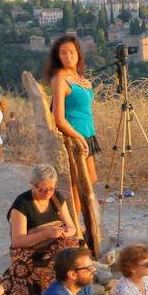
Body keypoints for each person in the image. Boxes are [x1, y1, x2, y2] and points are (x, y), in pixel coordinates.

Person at [1, 164, 80, 295]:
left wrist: (64, 232)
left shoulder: (57, 198)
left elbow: (73, 227)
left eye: (51, 188)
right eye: (43, 189)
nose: (48, 193)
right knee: (52, 267)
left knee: (75, 255)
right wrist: (46, 233)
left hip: (54, 242)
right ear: (33, 185)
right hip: (30, 249)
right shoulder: (22, 204)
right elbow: (18, 241)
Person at [47, 36, 99, 185]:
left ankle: (83, 209)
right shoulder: (59, 79)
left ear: (78, 53)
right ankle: (75, 210)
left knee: (91, 180)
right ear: (57, 56)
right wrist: (78, 137)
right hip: (74, 136)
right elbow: (59, 119)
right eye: (63, 53)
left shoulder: (77, 76)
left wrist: (88, 87)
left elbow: (81, 106)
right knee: (77, 185)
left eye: (71, 52)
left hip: (88, 133)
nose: (68, 56)